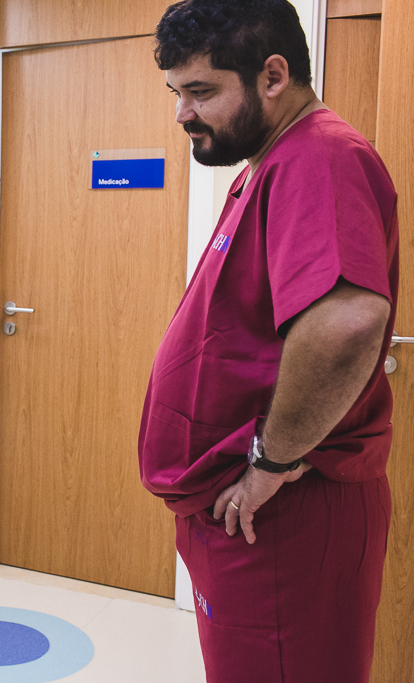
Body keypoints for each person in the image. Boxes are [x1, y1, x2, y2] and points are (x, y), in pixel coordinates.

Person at [139, 1, 398, 681]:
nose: (182, 114)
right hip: (250, 515)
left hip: (283, 515)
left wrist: (271, 464)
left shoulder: (321, 157)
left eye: (201, 91)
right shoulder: (270, 162)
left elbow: (348, 323)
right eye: (176, 93)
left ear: (274, 76)